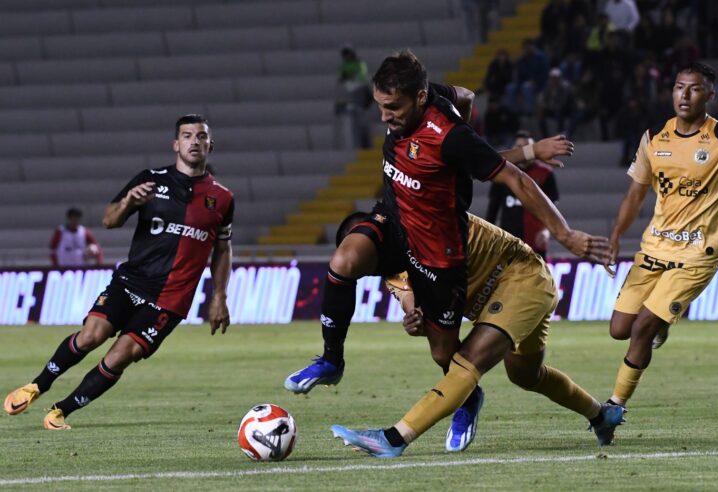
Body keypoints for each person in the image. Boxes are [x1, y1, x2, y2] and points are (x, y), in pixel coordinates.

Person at [285, 50, 610, 451]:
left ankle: (404, 432)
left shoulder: (449, 137)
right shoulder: (426, 101)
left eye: (392, 107)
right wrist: (408, 306)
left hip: (491, 269)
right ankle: (332, 359)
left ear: (419, 98)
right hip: (400, 226)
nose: (384, 117)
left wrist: (565, 233)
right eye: (380, 106)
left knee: (492, 368)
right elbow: (467, 96)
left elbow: (509, 175)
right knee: (344, 260)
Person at [3, 114, 234, 429]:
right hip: (130, 282)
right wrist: (128, 202)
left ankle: (61, 410)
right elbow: (109, 220)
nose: (194, 141)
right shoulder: (150, 179)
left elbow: (222, 248)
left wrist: (219, 295)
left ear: (211, 145)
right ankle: (38, 385)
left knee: (122, 354)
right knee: (90, 336)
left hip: (170, 298)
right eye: (187, 135)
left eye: (201, 136)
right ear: (175, 144)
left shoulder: (222, 198)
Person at [329, 212, 624, 457]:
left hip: (523, 278)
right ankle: (601, 416)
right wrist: (414, 317)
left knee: (467, 361)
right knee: (526, 375)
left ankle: (395, 438)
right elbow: (411, 301)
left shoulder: (428, 226)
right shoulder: (392, 271)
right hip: (492, 305)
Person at [603, 63, 718, 432]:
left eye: (694, 89)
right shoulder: (653, 138)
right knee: (619, 329)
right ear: (671, 92)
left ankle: (614, 406)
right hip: (655, 247)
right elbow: (634, 194)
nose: (685, 95)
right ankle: (661, 325)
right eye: (678, 88)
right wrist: (615, 234)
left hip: (698, 253)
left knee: (641, 327)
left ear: (710, 95)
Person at [486, 131, 559, 258]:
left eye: (527, 147)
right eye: (519, 147)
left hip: (535, 241)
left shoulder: (545, 173)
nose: (523, 151)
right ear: (513, 149)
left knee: (537, 277)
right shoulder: (502, 172)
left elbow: (552, 207)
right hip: (509, 242)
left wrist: (547, 231)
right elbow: (493, 207)